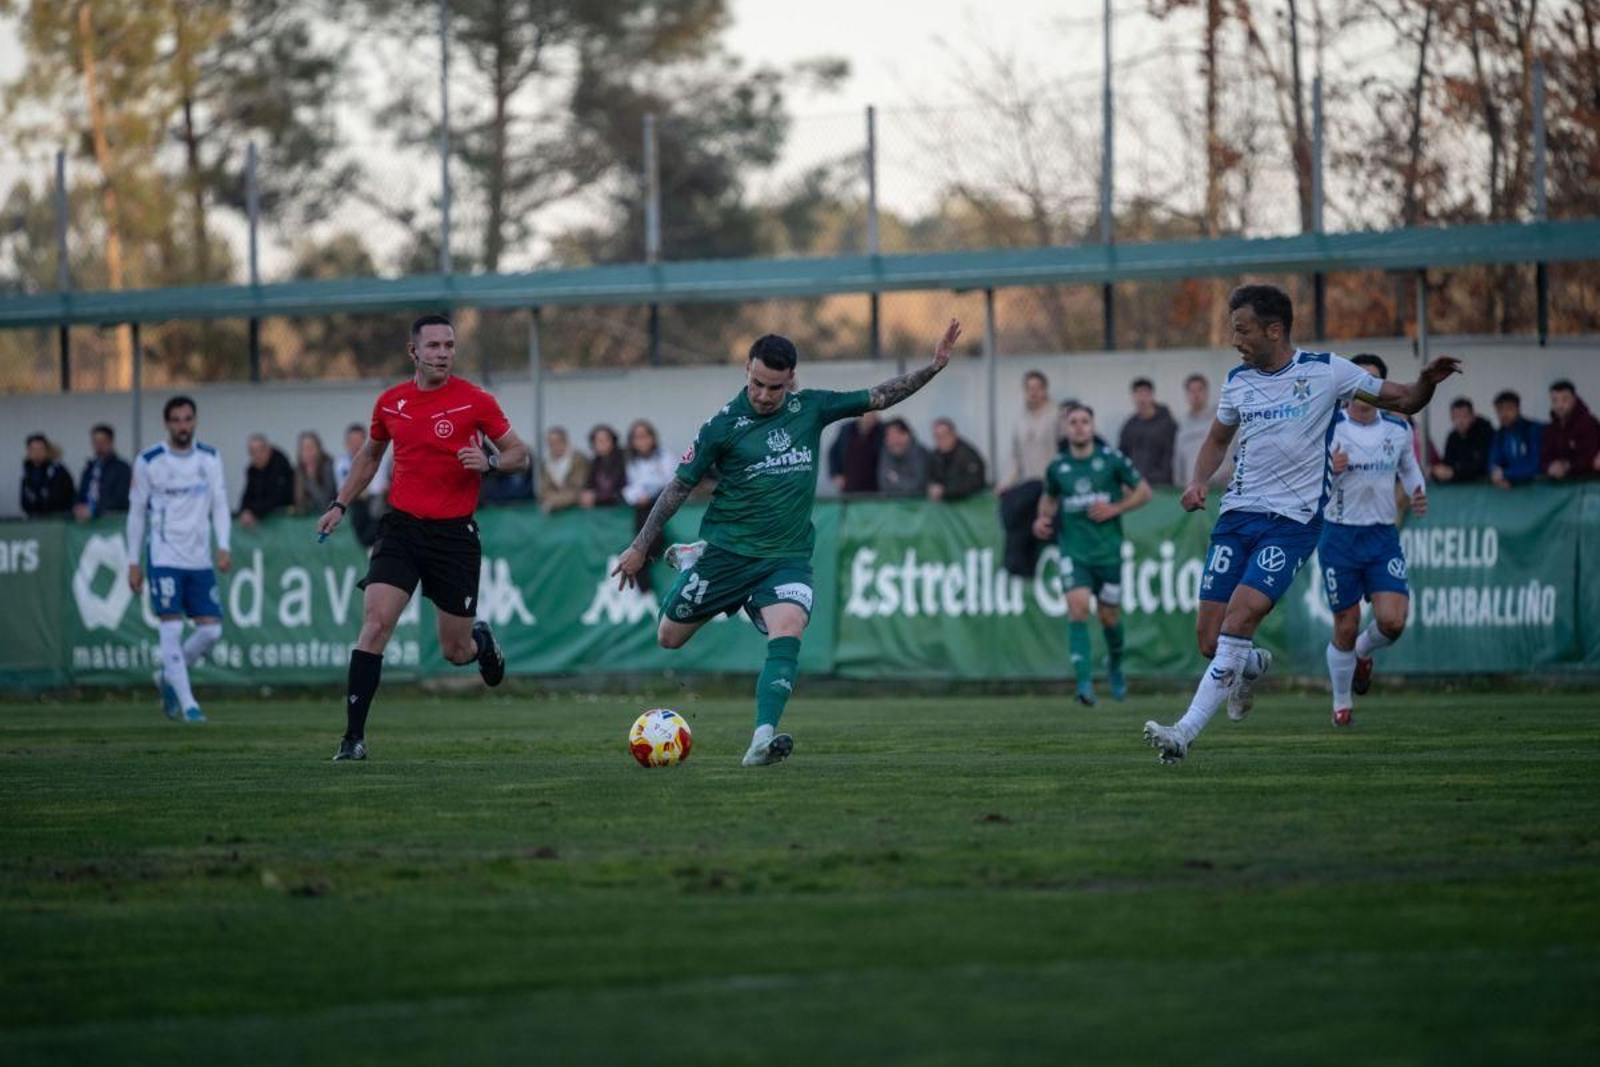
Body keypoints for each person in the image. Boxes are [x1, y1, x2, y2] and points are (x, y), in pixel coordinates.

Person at [610, 319, 963, 767]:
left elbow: (878, 396)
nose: (763, 395)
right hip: (728, 553)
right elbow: (679, 486)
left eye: (774, 387)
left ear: (791, 379)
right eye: (757, 383)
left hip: (786, 557)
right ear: (747, 369)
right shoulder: (721, 426)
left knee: (789, 628)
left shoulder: (810, 408)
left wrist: (934, 367)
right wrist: (641, 545)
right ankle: (698, 560)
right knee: (668, 638)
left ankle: (761, 739)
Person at [1143, 283, 1459, 764]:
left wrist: (1427, 383)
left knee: (1239, 619)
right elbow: (1217, 439)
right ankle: (1250, 664)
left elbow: (1405, 400)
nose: (1235, 340)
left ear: (1274, 330)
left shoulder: (1328, 372)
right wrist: (1198, 481)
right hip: (1236, 517)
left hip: (1292, 523)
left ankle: (1183, 733)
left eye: (1243, 330)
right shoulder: (1238, 381)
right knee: (1211, 641)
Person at [316, 314, 531, 762]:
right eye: (434, 346)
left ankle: (481, 642)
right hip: (402, 528)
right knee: (375, 625)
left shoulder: (475, 400)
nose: (443, 353)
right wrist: (339, 504)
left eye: (449, 345)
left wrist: (490, 463)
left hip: (454, 536)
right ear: (413, 351)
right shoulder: (391, 403)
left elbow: (519, 454)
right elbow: (370, 457)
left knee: (455, 650)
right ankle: (353, 739)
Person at [1320, 354, 1427, 727]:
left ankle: (1363, 652)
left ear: (1382, 388)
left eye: (1373, 381)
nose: (1365, 388)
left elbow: (1409, 468)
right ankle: (1341, 704)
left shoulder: (1397, 428)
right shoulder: (1329, 428)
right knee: (1346, 624)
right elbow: (1307, 479)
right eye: (1359, 380)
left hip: (1382, 536)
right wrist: (1328, 471)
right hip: (1339, 536)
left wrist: (1417, 491)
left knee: (1393, 621)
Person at [1033, 404, 1152, 706]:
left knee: (1109, 617)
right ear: (1066, 428)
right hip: (1074, 552)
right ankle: (1084, 684)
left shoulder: (1111, 460)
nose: (1079, 426)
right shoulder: (1058, 466)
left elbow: (1144, 491)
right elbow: (1049, 499)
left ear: (1092, 426)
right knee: (1078, 609)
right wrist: (1042, 519)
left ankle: (1115, 665)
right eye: (1073, 421)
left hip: (1108, 553)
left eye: (1084, 421)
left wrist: (1116, 508)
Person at [126, 396, 231, 724]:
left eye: (187, 419)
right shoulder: (149, 461)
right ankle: (189, 706)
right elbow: (136, 512)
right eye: (176, 420)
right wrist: (133, 561)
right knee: (170, 627)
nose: (182, 426)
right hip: (164, 556)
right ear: (167, 423)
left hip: (199, 558)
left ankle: (169, 674)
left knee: (211, 631)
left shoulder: (209, 458)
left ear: (194, 421)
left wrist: (223, 545)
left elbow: (220, 504)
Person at [997, 370, 1057, 576]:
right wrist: (1005, 483)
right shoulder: (1020, 419)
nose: (1033, 393)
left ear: (1045, 390)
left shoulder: (1056, 415)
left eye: (1037, 388)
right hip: (1029, 484)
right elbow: (1016, 458)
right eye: (1029, 388)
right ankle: (1020, 569)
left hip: (1050, 485)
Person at [622, 419, 677, 591]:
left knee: (654, 536)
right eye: (637, 437)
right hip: (642, 505)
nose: (642, 441)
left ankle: (641, 565)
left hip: (664, 502)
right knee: (641, 528)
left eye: (645, 436)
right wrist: (638, 495)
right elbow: (631, 486)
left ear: (653, 437)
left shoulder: (665, 456)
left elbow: (672, 482)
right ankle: (642, 580)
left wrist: (651, 493)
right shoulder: (631, 461)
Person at [1172, 374, 1232, 488]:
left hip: (1219, 487)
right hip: (1192, 489)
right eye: (1191, 391)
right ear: (1186, 395)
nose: (1196, 395)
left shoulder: (1221, 419)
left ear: (1207, 393)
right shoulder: (1183, 425)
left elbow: (1236, 449)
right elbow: (1178, 458)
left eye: (1200, 390)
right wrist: (1179, 483)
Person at [1118, 377, 1178, 487]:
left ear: (1151, 395)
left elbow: (1172, 454)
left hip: (1162, 485)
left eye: (1145, 394)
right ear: (1133, 397)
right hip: (1136, 485)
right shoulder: (1129, 425)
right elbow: (1122, 455)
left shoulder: (1167, 423)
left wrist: (1163, 478)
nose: (1141, 399)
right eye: (1138, 394)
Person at [334, 423, 385, 546]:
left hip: (374, 503)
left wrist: (357, 490)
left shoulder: (379, 459)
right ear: (346, 443)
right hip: (355, 504)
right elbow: (342, 488)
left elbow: (377, 488)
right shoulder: (340, 463)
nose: (355, 445)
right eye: (352, 441)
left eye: (359, 441)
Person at [1540, 379, 1600, 481]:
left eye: (1565, 400)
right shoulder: (1551, 428)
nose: (1559, 405)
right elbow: (1545, 456)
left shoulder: (1588, 423)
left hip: (1589, 481)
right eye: (1555, 400)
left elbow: (1591, 458)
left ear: (1574, 399)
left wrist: (1567, 466)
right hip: (1561, 482)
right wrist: (1550, 466)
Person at [73, 423, 132, 521]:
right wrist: (78, 507)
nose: (99, 445)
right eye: (95, 442)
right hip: (86, 521)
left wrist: (94, 509)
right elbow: (80, 493)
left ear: (111, 442)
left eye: (102, 441)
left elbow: (121, 499)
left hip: (110, 520)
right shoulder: (89, 467)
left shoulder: (122, 468)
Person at [1488, 391, 1544, 489]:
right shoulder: (1500, 434)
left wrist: (1505, 474)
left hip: (1537, 489)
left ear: (1518, 409)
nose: (1504, 414)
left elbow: (1535, 466)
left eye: (1509, 409)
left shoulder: (1533, 430)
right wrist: (1496, 476)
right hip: (1512, 491)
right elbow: (1493, 462)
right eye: (1500, 410)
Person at [1430, 398, 1493, 483]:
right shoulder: (1452, 437)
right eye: (1457, 416)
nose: (1460, 421)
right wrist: (1436, 471)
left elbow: (1481, 466)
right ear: (1452, 418)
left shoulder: (1484, 433)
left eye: (1464, 416)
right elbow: (1448, 463)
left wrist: (1454, 473)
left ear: (1472, 416)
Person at [238, 433, 294, 527]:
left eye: (260, 450)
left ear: (268, 450)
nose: (257, 455)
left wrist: (253, 511)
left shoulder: (280, 465)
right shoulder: (252, 470)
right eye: (253, 452)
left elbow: (277, 497)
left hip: (284, 518)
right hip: (261, 517)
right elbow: (247, 495)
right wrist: (245, 511)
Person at [927, 417, 987, 501]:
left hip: (970, 501)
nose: (941, 439)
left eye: (944, 435)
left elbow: (975, 482)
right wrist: (932, 487)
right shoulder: (935, 455)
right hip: (946, 501)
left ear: (954, 434)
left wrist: (945, 490)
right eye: (937, 436)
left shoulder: (968, 455)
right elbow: (930, 476)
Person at [828, 410, 883, 493]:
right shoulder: (846, 430)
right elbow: (833, 453)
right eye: (868, 413)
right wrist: (835, 475)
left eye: (873, 413)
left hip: (874, 490)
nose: (870, 416)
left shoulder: (881, 430)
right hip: (849, 488)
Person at [21, 433, 75, 517]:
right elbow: (24, 501)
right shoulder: (27, 474)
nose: (36, 453)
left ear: (46, 450)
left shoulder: (58, 471)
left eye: (40, 449)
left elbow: (64, 498)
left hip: (58, 519)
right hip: (35, 520)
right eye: (33, 449)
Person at [538, 426, 589, 513]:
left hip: (577, 510)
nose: (554, 446)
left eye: (557, 442)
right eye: (550, 443)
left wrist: (555, 501)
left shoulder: (578, 459)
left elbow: (577, 488)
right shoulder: (547, 463)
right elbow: (544, 490)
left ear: (565, 441)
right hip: (554, 509)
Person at [877, 418, 930, 497]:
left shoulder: (920, 453)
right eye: (888, 436)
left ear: (906, 435)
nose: (891, 440)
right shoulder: (886, 452)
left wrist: (897, 479)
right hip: (892, 502)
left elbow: (918, 486)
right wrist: (904, 481)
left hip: (917, 502)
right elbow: (884, 485)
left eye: (895, 435)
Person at [292, 431, 338, 515]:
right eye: (304, 449)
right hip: (310, 517)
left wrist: (311, 476)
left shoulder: (329, 466)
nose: (308, 452)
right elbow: (299, 503)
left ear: (319, 449)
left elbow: (325, 501)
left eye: (311, 448)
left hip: (331, 514)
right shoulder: (299, 471)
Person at [581, 425, 626, 507]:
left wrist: (597, 497)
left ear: (613, 441)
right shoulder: (595, 462)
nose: (603, 444)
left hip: (620, 506)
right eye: (599, 441)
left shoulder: (624, 459)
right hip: (601, 507)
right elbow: (589, 485)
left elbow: (623, 490)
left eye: (606, 440)